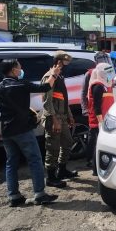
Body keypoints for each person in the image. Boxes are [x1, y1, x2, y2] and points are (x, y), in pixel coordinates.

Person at [0, 59, 60, 206]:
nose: (21, 70)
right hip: (23, 130)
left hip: (7, 132)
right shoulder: (22, 84)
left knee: (11, 163)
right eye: (19, 67)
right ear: (13, 70)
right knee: (35, 160)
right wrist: (54, 74)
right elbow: (45, 87)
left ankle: (14, 196)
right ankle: (40, 194)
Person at [41, 51, 77, 188]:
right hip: (53, 118)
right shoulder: (50, 77)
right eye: (64, 63)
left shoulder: (59, 76)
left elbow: (63, 98)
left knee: (68, 143)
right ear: (58, 62)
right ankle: (51, 177)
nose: (65, 66)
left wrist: (70, 116)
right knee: (53, 148)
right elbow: (47, 101)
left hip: (62, 116)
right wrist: (54, 119)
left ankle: (62, 170)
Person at [81, 50, 112, 167]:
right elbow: (84, 92)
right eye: (102, 59)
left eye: (106, 59)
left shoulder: (108, 71)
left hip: (106, 111)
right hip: (97, 112)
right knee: (94, 139)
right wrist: (85, 109)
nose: (104, 61)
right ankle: (91, 161)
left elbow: (112, 87)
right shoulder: (91, 74)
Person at [87, 63, 116, 176]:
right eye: (107, 72)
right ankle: (95, 169)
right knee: (97, 145)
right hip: (98, 121)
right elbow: (97, 106)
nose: (109, 75)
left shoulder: (106, 84)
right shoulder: (98, 86)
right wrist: (100, 122)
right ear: (100, 73)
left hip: (105, 120)